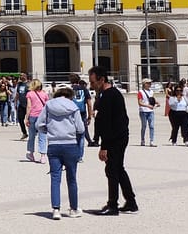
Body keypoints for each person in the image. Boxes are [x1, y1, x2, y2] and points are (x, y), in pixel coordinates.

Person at [88, 66, 137, 215]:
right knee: (118, 169)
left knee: (112, 170)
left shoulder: (109, 95)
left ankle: (112, 205)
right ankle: (131, 202)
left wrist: (104, 147)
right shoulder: (108, 94)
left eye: (93, 82)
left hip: (115, 138)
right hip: (119, 136)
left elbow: (108, 124)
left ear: (102, 80)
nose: (91, 85)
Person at [36, 85, 85, 219]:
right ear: (70, 96)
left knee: (55, 178)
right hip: (70, 144)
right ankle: (73, 208)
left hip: (54, 144)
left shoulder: (49, 105)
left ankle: (56, 209)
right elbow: (80, 128)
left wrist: (48, 130)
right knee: (72, 178)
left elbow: (39, 124)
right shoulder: (73, 106)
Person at [25, 79, 49, 164]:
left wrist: (26, 118)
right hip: (42, 117)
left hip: (33, 116)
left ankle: (30, 152)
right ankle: (43, 156)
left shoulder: (29, 94)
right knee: (42, 136)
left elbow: (29, 106)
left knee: (31, 136)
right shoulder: (44, 94)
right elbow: (47, 106)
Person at [137, 78, 157, 146]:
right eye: (148, 83)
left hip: (150, 111)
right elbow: (140, 103)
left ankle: (151, 141)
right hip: (143, 111)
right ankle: (142, 140)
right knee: (144, 126)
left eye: (150, 83)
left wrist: (157, 103)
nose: (149, 84)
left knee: (152, 126)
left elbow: (152, 100)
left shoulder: (151, 91)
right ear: (144, 84)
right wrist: (148, 106)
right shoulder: (140, 92)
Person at [15, 73, 30, 139]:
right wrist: (15, 102)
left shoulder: (29, 84)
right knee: (20, 119)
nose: (20, 76)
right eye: (20, 75)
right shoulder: (19, 85)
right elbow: (18, 94)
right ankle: (24, 133)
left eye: (22, 75)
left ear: (25, 76)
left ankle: (33, 132)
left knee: (30, 119)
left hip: (28, 104)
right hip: (21, 104)